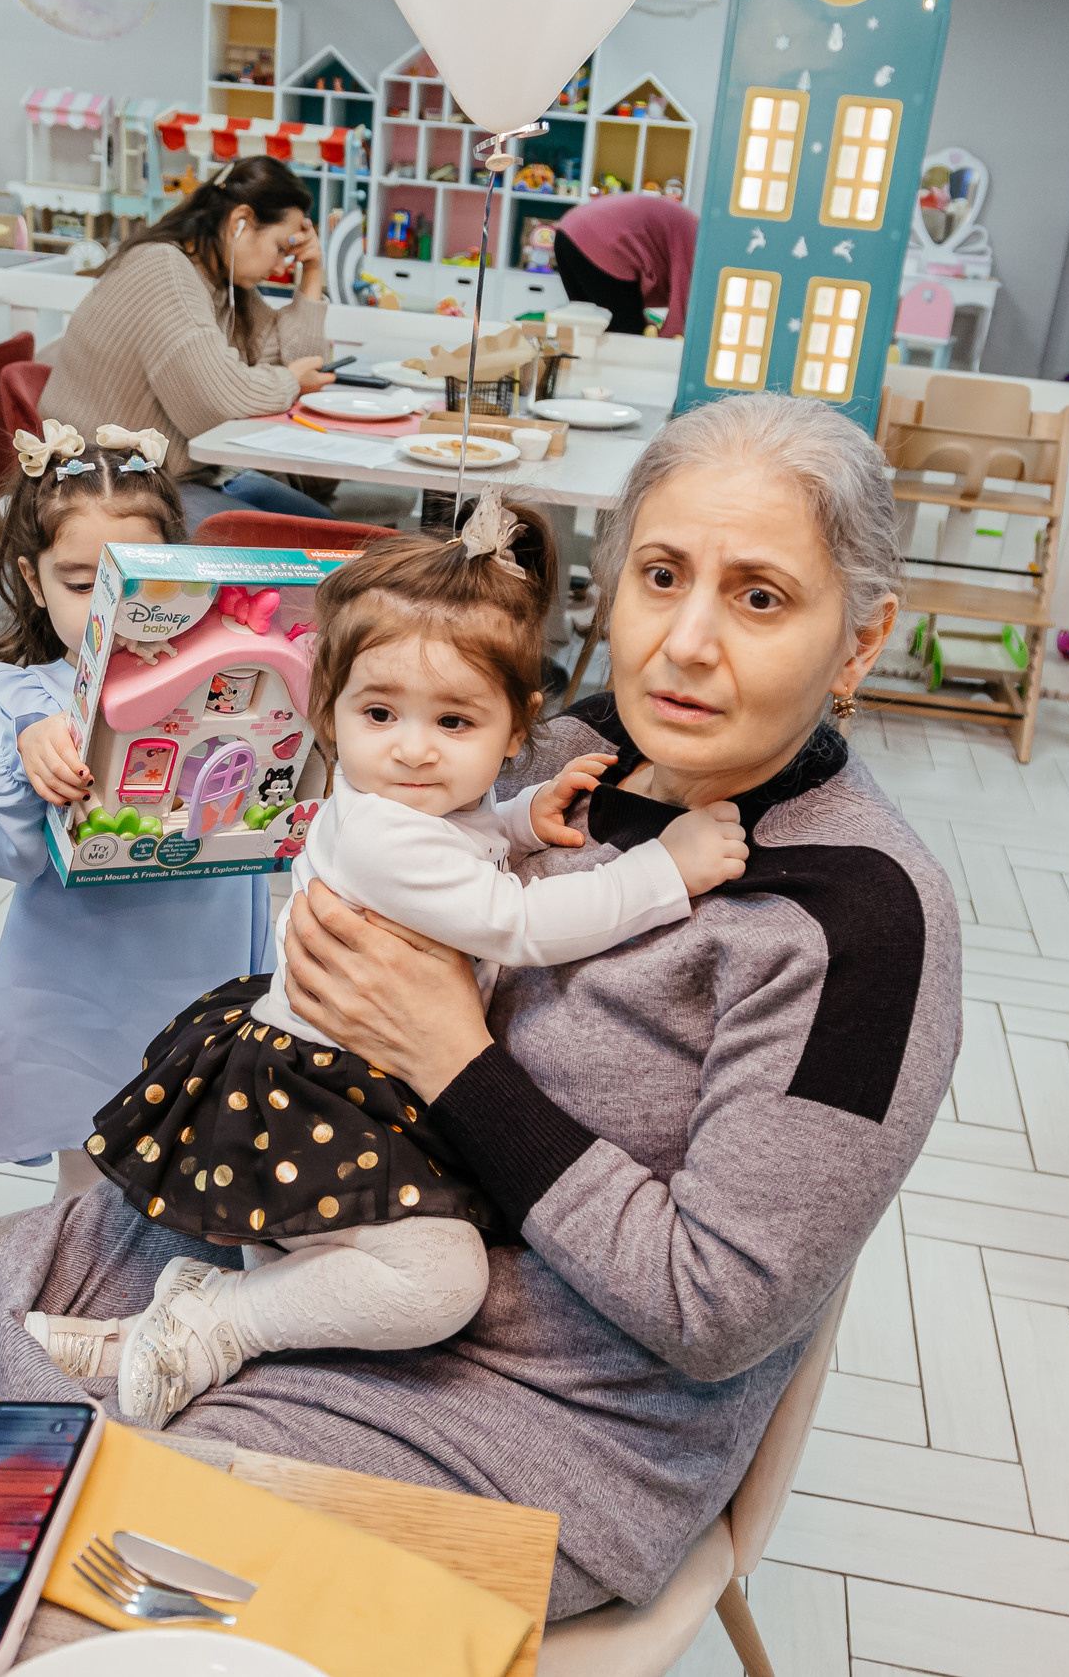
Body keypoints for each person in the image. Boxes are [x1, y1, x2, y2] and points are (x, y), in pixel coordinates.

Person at [0, 392, 962, 1621]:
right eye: (661, 576)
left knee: (116, 1526)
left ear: (860, 643)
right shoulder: (570, 747)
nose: (686, 643)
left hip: (553, 1398)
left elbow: (712, 1309)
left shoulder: (863, 928)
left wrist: (452, 1055)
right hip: (359, 1203)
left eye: (760, 598)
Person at [41, 498, 751, 1429]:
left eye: (454, 721)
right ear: (330, 715)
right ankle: (217, 1319)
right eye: (379, 712)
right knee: (441, 1281)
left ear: (515, 728)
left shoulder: (399, 805)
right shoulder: (382, 834)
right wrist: (666, 869)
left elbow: (457, 833)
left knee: (315, 1270)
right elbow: (518, 922)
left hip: (317, 1076)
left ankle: (144, 1336)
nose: (413, 749)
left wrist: (519, 816)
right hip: (324, 1091)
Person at [0, 417, 273, 1187]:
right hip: (81, 989)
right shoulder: (28, 701)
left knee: (205, 1169)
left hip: (208, 968)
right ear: (33, 581)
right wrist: (25, 754)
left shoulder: (228, 676)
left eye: (140, 583)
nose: (112, 610)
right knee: (88, 1186)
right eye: (80, 583)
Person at [37, 155, 337, 527]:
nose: (280, 267)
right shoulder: (164, 270)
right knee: (300, 543)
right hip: (110, 486)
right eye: (280, 248)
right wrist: (290, 381)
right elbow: (217, 404)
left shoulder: (223, 287)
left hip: (176, 476)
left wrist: (313, 271)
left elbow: (303, 361)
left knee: (324, 526)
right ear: (240, 222)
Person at [554, 191, 698, 338]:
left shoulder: (689, 224)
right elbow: (682, 319)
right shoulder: (697, 243)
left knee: (587, 328)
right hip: (601, 239)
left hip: (568, 229)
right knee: (626, 335)